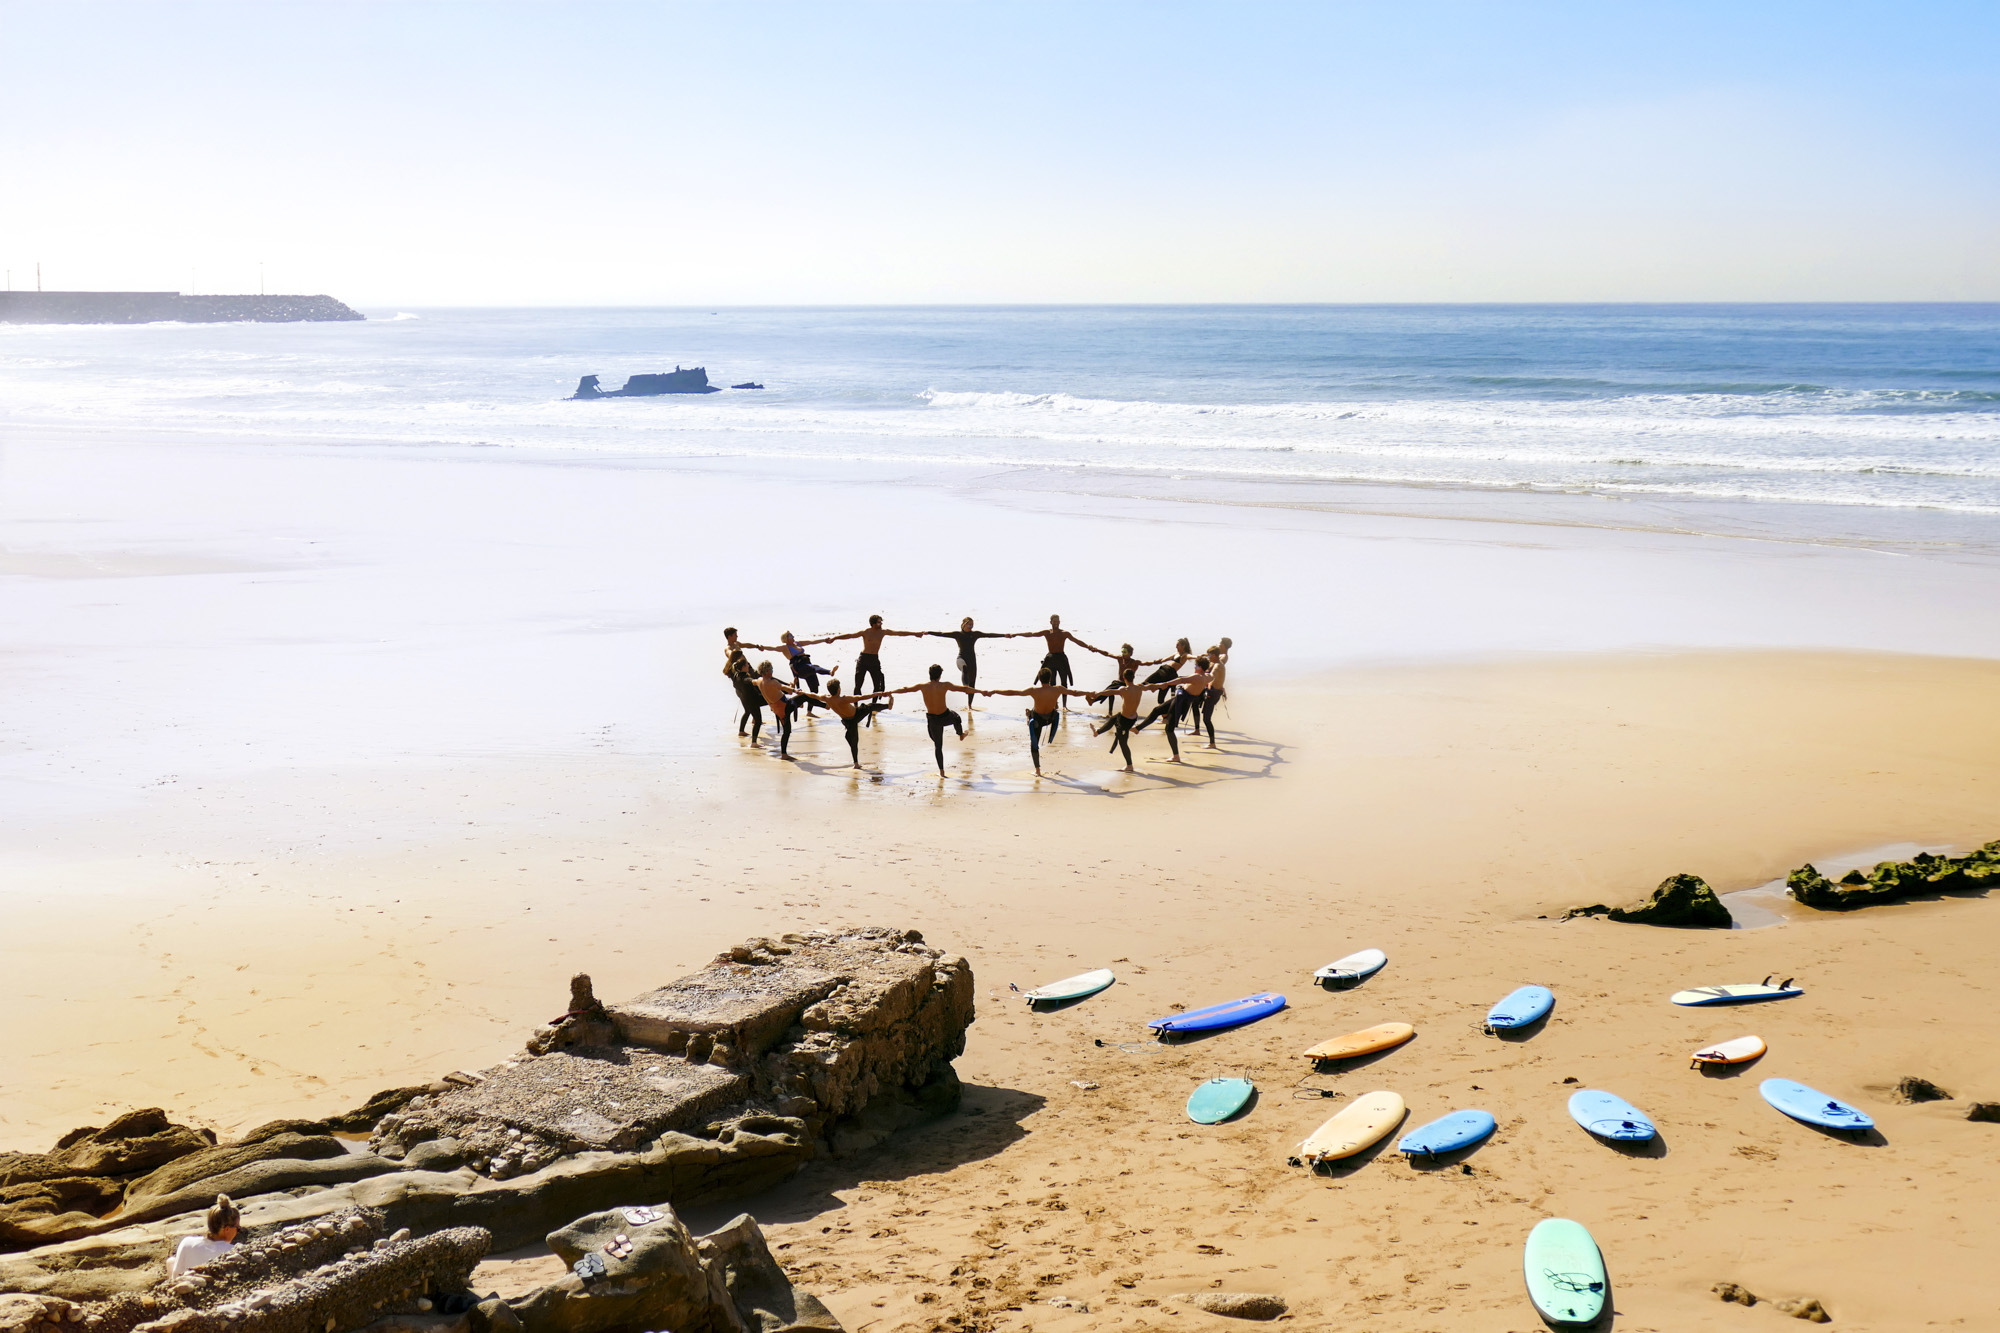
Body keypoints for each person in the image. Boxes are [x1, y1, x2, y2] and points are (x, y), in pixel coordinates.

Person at [982, 668, 1093, 774]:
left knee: (1033, 744)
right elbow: (1074, 692)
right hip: (1051, 718)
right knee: (1044, 711)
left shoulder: (1034, 691)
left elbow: (1014, 692)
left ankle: (1037, 770)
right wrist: (1089, 693)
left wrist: (995, 691)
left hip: (1037, 721)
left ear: (1039, 680)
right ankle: (1029, 715)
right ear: (1050, 679)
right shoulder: (1058, 689)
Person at [781, 678, 895, 768]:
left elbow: (812, 695)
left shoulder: (827, 698)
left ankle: (856, 764)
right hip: (856, 715)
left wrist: (803, 692)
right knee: (868, 710)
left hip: (847, 720)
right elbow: (862, 697)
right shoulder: (844, 699)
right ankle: (888, 706)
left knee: (853, 738)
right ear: (839, 689)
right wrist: (878, 693)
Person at [887, 664, 974, 775]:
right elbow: (964, 689)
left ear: (930, 675)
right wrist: (982, 692)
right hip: (945, 716)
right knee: (956, 718)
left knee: (938, 746)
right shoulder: (944, 685)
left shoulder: (923, 686)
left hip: (933, 720)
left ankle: (941, 771)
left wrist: (890, 692)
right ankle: (960, 734)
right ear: (940, 676)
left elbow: (906, 689)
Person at [809, 615, 923, 697]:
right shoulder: (865, 632)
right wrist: (834, 638)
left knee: (877, 684)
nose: (881, 624)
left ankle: (873, 707)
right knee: (858, 684)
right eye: (879, 622)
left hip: (874, 659)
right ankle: (856, 706)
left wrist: (915, 634)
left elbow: (899, 633)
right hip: (863, 659)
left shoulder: (883, 632)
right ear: (873, 624)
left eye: (881, 622)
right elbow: (850, 635)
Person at [928, 617, 1026, 703]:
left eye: (972, 625)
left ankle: (970, 705)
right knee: (964, 668)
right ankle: (964, 686)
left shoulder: (975, 634)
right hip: (961, 658)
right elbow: (942, 634)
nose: (971, 627)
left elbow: (989, 635)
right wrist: (928, 633)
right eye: (969, 624)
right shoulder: (957, 634)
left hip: (972, 660)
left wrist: (1004, 635)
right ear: (963, 624)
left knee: (973, 682)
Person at [1034, 614, 1111, 700]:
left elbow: (1076, 641)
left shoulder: (1064, 633)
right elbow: (1032, 634)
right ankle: (1054, 704)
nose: (1056, 623)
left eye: (1058, 621)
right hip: (1050, 658)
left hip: (1061, 658)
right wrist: (1017, 634)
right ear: (1050, 622)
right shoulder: (1047, 633)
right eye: (1054, 621)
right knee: (1052, 682)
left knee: (1064, 682)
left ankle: (1064, 705)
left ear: (1059, 622)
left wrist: (1088, 646)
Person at [1087, 669, 1147, 773]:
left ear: (1124, 678)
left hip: (1125, 721)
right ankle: (1097, 732)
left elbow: (1110, 692)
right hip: (1131, 718)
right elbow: (1152, 686)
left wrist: (1096, 694)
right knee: (1113, 719)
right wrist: (1164, 684)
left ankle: (1129, 766)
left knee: (1123, 743)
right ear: (1134, 677)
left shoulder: (1124, 689)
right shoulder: (1139, 688)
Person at [167, 1195, 239, 1277]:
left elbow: (176, 1276)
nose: (237, 1232)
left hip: (186, 1285)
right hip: (209, 1286)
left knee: (171, 1261)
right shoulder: (232, 1252)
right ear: (227, 1229)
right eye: (238, 1228)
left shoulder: (187, 1241)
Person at [753, 662, 807, 759]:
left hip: (778, 710)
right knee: (805, 696)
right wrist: (795, 690)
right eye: (771, 669)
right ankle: (826, 705)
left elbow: (753, 682)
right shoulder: (772, 682)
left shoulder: (759, 681)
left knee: (787, 731)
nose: (772, 671)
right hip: (785, 707)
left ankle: (784, 754)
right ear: (767, 671)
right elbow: (783, 687)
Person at [722, 628, 765, 740]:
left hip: (747, 669)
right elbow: (730, 654)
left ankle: (749, 724)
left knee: (758, 689)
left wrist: (756, 646)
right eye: (735, 635)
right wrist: (737, 658)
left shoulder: (736, 643)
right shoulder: (728, 649)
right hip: (743, 673)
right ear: (729, 636)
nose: (737, 637)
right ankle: (745, 729)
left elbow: (745, 645)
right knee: (748, 707)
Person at [1197, 637, 1231, 748]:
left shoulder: (1217, 665)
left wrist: (1208, 681)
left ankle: (1212, 743)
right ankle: (1206, 737)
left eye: (1210, 656)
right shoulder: (1218, 662)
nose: (1209, 658)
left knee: (1207, 719)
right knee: (1204, 716)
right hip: (1215, 691)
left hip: (1213, 693)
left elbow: (1213, 674)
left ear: (1215, 656)